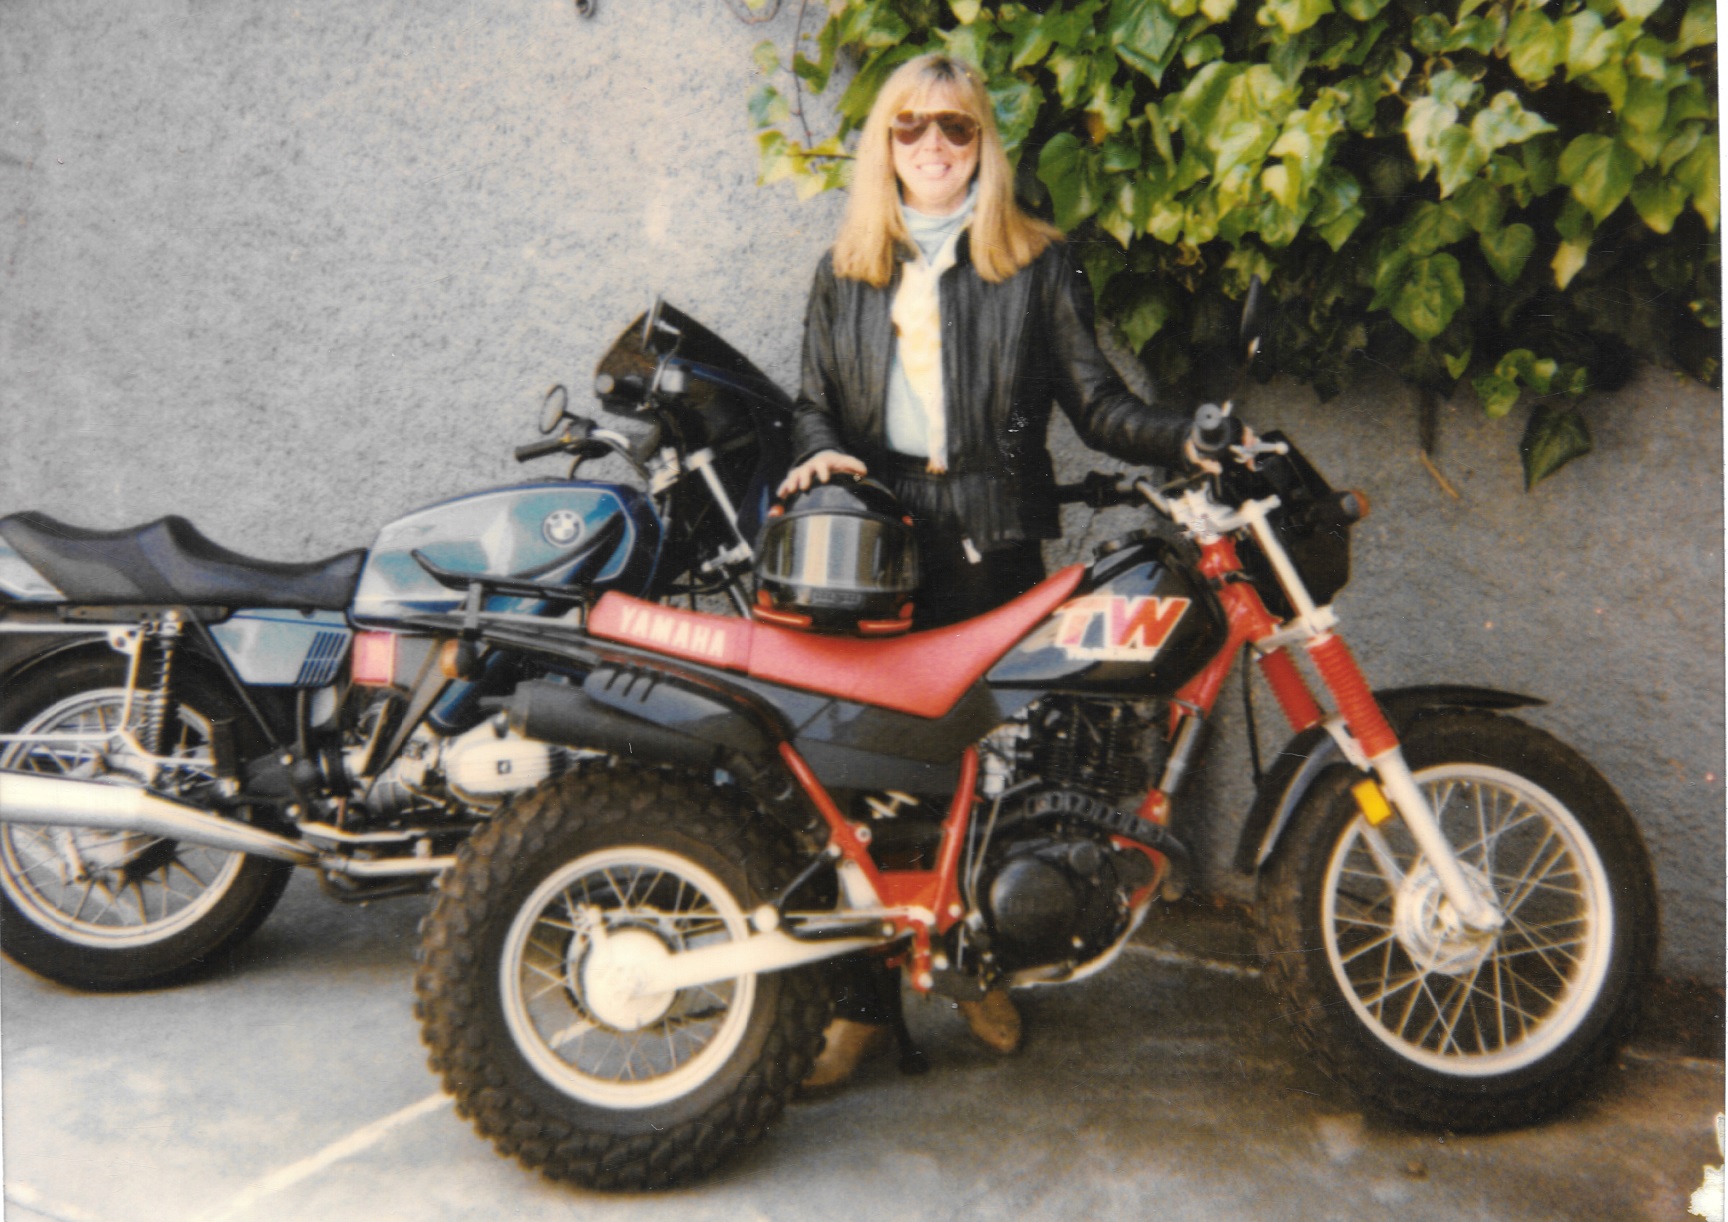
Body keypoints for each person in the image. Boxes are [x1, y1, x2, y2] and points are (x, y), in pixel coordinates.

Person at [780, 53, 1198, 1089]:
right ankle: (867, 1012)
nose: (932, 145)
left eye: (956, 129)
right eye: (911, 126)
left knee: (996, 775)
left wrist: (1188, 435)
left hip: (994, 535)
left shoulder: (1040, 264)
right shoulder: (844, 269)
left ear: (983, 146)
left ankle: (977, 971)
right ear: (885, 143)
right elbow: (813, 402)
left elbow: (1100, 406)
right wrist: (817, 450)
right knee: (865, 782)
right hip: (876, 548)